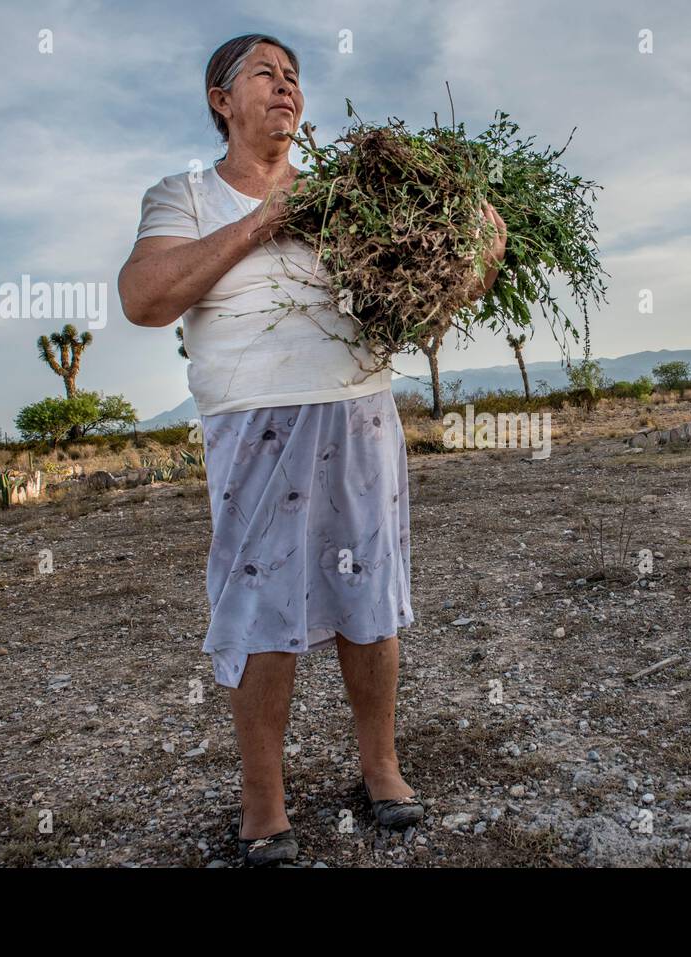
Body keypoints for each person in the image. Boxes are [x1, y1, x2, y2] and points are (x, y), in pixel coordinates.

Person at [117, 33, 506, 866]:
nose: (286, 86)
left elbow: (426, 293)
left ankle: (383, 770)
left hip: (359, 410)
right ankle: (265, 804)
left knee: (369, 597)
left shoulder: (348, 195)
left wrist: (480, 255)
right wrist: (265, 221)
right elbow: (145, 296)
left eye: (295, 76)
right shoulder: (184, 195)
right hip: (253, 425)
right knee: (261, 610)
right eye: (266, 72)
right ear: (222, 99)